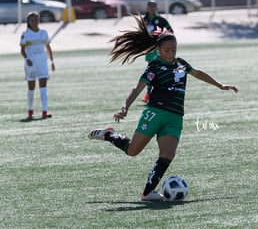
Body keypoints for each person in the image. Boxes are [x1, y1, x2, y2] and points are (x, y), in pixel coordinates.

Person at [88, 15, 238, 201]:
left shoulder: (181, 64)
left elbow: (198, 73)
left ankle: (148, 192)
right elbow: (138, 88)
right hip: (155, 114)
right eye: (166, 50)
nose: (170, 53)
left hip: (175, 117)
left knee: (168, 153)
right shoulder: (155, 67)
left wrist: (220, 85)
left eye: (173, 50)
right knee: (132, 151)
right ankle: (108, 135)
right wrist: (124, 107)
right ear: (158, 50)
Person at [20, 12, 55, 120]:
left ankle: (45, 111)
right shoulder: (25, 34)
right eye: (32, 20)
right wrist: (27, 59)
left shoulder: (43, 33)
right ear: (28, 22)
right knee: (31, 87)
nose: (34, 22)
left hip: (42, 62)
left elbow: (48, 47)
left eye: (36, 19)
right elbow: (22, 50)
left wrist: (52, 61)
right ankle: (30, 111)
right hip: (31, 63)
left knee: (43, 87)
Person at [141, 0, 174, 103]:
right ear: (147, 8)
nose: (152, 8)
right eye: (150, 7)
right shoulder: (144, 20)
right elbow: (140, 33)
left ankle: (158, 93)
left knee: (160, 70)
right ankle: (149, 94)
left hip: (159, 49)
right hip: (149, 49)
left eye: (154, 6)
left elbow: (171, 31)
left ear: (156, 8)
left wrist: (162, 38)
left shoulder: (161, 20)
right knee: (151, 71)